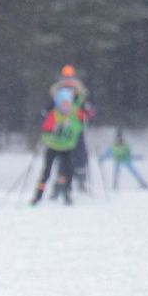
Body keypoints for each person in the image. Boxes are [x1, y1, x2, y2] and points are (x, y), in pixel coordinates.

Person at [30, 78, 85, 206]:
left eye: (68, 104)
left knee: (69, 171)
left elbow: (81, 124)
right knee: (46, 172)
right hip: (53, 147)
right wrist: (56, 129)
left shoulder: (75, 113)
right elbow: (46, 131)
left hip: (67, 147)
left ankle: (67, 194)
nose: (66, 106)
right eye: (63, 104)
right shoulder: (53, 115)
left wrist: (76, 123)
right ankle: (38, 196)